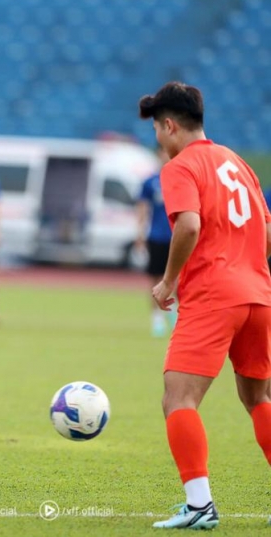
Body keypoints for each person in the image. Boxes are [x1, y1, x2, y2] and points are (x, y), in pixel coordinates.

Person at [141, 82, 271, 530]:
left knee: (178, 398)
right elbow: (267, 232)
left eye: (158, 130)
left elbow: (190, 225)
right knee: (258, 398)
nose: (158, 139)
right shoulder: (238, 163)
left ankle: (199, 504)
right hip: (258, 295)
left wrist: (169, 281)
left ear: (171, 125)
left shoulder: (180, 166)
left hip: (214, 296)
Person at [136, 147, 175, 338]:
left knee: (180, 279)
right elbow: (142, 209)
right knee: (155, 278)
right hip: (157, 237)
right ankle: (156, 318)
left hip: (178, 238)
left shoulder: (181, 179)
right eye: (162, 152)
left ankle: (175, 313)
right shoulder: (151, 182)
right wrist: (140, 235)